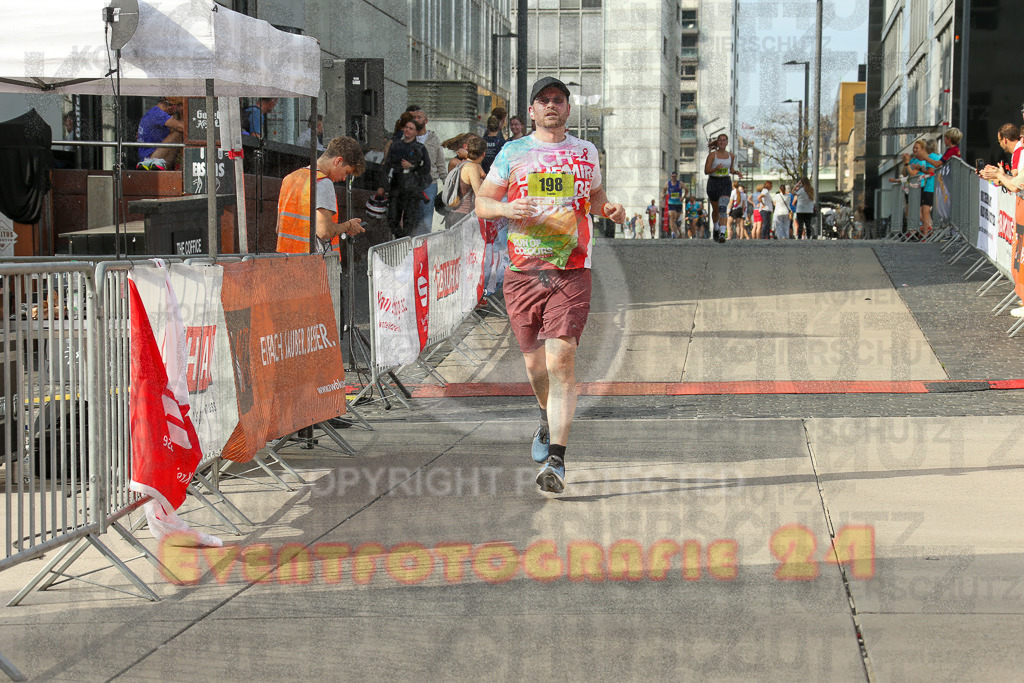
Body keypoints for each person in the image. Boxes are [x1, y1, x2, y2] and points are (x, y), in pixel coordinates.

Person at [475, 76, 625, 494]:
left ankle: (557, 462)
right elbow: (481, 204)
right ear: (533, 110)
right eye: (544, 101)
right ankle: (546, 417)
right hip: (524, 272)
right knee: (535, 366)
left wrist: (608, 209)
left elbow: (595, 200)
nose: (552, 106)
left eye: (559, 100)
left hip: (572, 268)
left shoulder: (585, 152)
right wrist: (506, 206)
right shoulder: (513, 152)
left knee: (561, 362)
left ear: (568, 109)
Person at [276, 136, 366, 257]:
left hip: (286, 261)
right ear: (338, 161)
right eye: (346, 172)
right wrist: (348, 225)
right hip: (314, 264)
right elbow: (324, 231)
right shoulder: (323, 182)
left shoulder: (289, 179)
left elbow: (279, 228)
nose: (344, 178)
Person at [378, 112, 432, 239]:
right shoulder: (395, 145)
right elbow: (387, 166)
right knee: (392, 218)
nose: (407, 130)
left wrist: (412, 167)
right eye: (406, 128)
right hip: (397, 185)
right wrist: (382, 186)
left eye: (411, 128)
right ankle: (399, 238)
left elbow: (426, 168)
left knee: (410, 219)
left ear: (415, 132)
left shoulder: (420, 147)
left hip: (412, 186)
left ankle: (406, 241)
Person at [407, 105, 447, 236]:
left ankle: (422, 248)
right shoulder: (406, 139)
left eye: (419, 117)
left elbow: (440, 163)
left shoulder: (434, 140)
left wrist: (446, 183)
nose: (416, 120)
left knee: (426, 220)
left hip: (429, 183)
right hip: (411, 183)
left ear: (426, 121)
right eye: (414, 118)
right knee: (411, 218)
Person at [704, 133, 742, 243]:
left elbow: (730, 169)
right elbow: (706, 171)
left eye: (724, 140)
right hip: (713, 183)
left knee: (722, 208)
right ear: (718, 142)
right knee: (715, 211)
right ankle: (716, 228)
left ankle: (722, 233)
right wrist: (716, 168)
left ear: (727, 142)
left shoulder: (731, 156)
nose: (722, 142)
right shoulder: (712, 155)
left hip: (725, 182)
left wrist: (736, 172)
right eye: (720, 140)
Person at [444, 134, 486, 229]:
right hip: (462, 217)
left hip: (456, 215)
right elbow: (479, 194)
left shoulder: (464, 164)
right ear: (484, 154)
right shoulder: (471, 167)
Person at [905, 138, 942, 236]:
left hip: (928, 187)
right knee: (921, 211)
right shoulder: (937, 156)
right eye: (914, 148)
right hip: (932, 186)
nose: (914, 150)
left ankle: (927, 231)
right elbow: (905, 173)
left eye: (917, 148)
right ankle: (926, 231)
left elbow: (930, 172)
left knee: (923, 212)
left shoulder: (930, 157)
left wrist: (919, 167)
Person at [137, 96, 185, 170]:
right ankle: (186, 167)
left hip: (149, 157)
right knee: (177, 133)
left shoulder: (152, 112)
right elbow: (182, 127)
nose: (178, 109)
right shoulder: (158, 114)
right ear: (170, 105)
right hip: (152, 159)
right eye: (178, 106)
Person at [665, 171, 684, 238]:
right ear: (671, 177)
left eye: (675, 176)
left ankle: (678, 232)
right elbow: (664, 189)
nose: (674, 178)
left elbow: (687, 189)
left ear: (677, 177)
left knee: (675, 219)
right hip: (671, 203)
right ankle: (673, 232)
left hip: (678, 203)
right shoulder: (668, 183)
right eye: (672, 176)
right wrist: (663, 195)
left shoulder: (680, 183)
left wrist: (683, 197)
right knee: (672, 217)